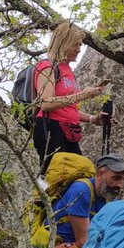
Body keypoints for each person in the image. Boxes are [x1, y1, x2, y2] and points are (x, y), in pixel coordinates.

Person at [33, 21, 108, 168]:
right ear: (63, 43)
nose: (79, 49)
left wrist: (92, 119)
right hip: (51, 130)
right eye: (75, 44)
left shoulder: (67, 70)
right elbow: (46, 103)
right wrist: (82, 95)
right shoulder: (48, 66)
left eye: (80, 45)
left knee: (81, 174)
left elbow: (68, 108)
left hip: (69, 131)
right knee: (62, 179)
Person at [52, 153, 124, 248]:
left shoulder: (105, 196)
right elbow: (83, 241)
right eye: (116, 178)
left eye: (123, 179)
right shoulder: (81, 190)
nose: (120, 185)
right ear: (99, 174)